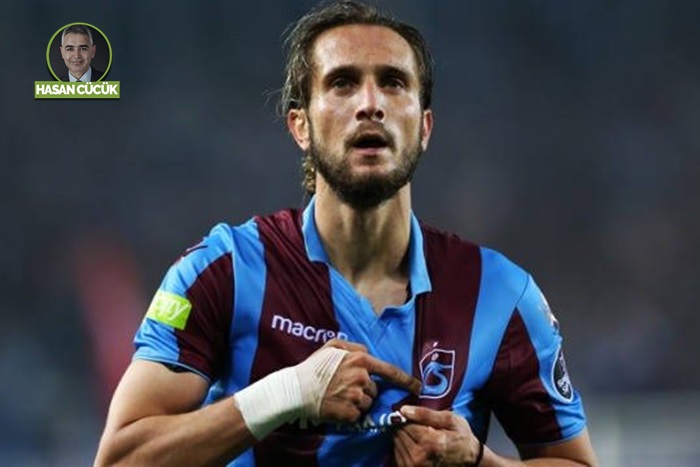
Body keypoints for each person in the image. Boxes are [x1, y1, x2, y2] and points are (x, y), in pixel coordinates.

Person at [94, 1, 598, 465]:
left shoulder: (500, 294)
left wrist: (478, 461)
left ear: (424, 127)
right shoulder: (225, 270)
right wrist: (285, 394)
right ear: (301, 126)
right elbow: (118, 458)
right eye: (342, 83)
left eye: (393, 83)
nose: (371, 103)